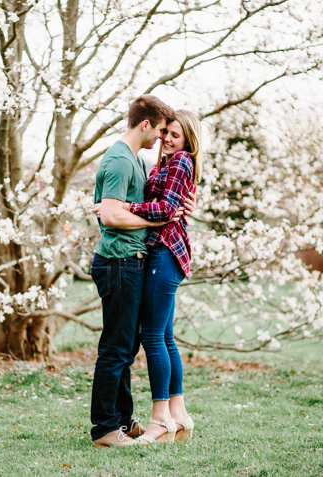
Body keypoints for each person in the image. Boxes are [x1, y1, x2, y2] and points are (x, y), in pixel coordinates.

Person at [89, 95, 185, 448]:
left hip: (131, 261)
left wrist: (175, 207)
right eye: (161, 130)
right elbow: (111, 215)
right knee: (115, 348)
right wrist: (157, 218)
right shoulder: (119, 160)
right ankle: (104, 429)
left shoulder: (134, 160)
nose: (162, 137)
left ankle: (123, 420)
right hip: (119, 262)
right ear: (146, 124)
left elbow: (154, 202)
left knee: (125, 347)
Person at [122, 110, 203, 444]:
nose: (167, 138)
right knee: (165, 337)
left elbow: (166, 211)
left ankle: (160, 421)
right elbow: (171, 205)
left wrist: (126, 208)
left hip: (164, 252)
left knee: (152, 336)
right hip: (167, 252)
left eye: (175, 134)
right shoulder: (166, 163)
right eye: (166, 132)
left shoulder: (181, 160)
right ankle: (179, 415)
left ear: (187, 139)